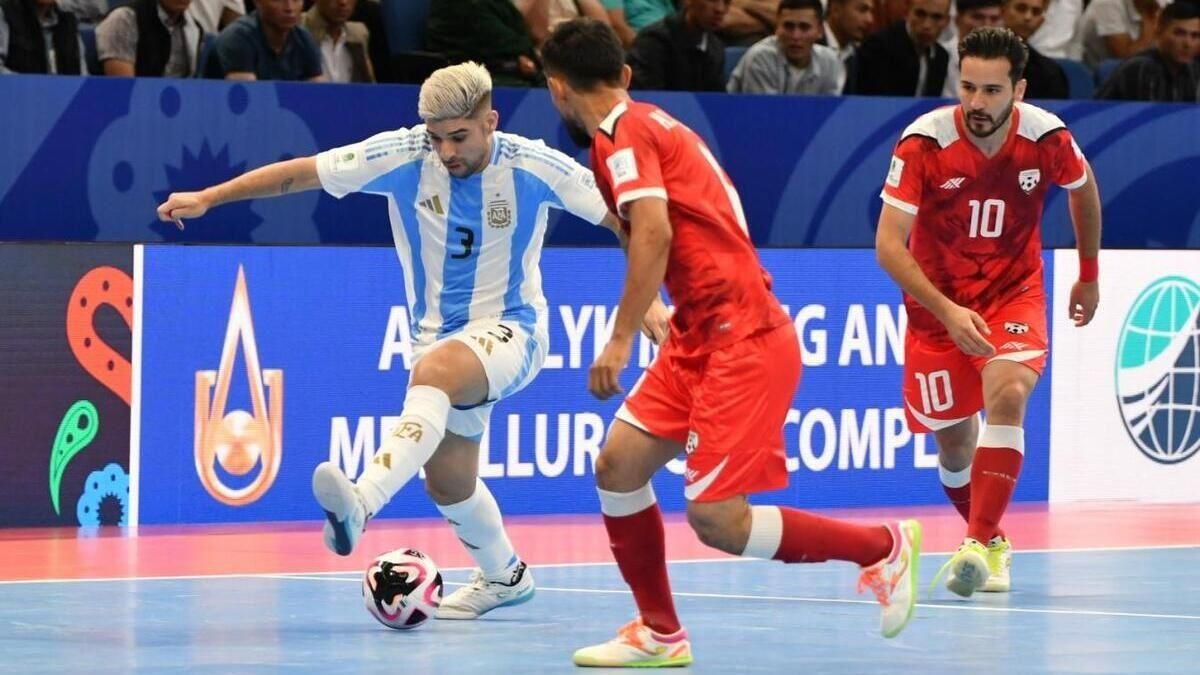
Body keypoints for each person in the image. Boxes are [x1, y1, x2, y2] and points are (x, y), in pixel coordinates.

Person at [156, 62, 670, 621]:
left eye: (459, 136)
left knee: (436, 374)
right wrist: (210, 196)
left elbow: (626, 220)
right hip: (436, 339)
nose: (446, 151)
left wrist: (648, 300)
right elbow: (305, 172)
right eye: (436, 137)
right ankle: (505, 576)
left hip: (514, 331)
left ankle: (362, 502)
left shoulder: (534, 165)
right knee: (448, 483)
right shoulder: (403, 155)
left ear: (491, 121)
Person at [541, 18, 922, 668]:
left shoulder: (624, 133)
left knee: (718, 519)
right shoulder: (641, 128)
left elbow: (654, 231)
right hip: (699, 331)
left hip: (743, 337)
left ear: (556, 89)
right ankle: (660, 632)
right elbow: (646, 230)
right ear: (624, 74)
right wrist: (656, 306)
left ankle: (882, 548)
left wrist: (621, 335)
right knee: (619, 466)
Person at [875, 27, 1101, 599]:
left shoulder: (1046, 136)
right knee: (955, 448)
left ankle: (975, 543)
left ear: (1018, 90)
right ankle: (993, 539)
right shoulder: (923, 144)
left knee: (1008, 392)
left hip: (1012, 293)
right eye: (968, 87)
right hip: (936, 311)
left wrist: (1088, 273)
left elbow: (1083, 188)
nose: (977, 102)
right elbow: (888, 246)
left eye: (992, 90)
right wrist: (948, 311)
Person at [727, 0, 844, 95]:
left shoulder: (831, 62)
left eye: (804, 27)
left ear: (820, 31)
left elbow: (831, 112)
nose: (796, 36)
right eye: (788, 26)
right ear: (777, 28)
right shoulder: (760, 58)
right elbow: (765, 112)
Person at [1096, 0, 1200, 102]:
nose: (1188, 44)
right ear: (1159, 31)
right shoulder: (1142, 67)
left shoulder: (1192, 69)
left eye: (1195, 36)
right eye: (1179, 33)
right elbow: (1150, 113)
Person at [852, 0, 951, 95]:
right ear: (907, 12)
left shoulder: (941, 57)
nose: (927, 25)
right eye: (920, 14)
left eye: (937, 17)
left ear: (947, 21)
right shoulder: (878, 47)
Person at [1000, 0, 1069, 100]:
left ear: (1042, 20)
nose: (1028, 17)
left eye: (1036, 12)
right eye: (1021, 8)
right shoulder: (978, 58)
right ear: (1003, 11)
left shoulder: (1050, 72)